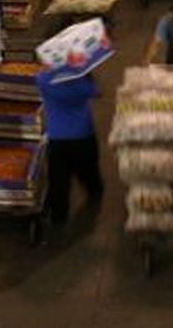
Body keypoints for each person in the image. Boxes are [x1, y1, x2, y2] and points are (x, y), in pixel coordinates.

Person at [36, 62, 104, 226]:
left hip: (58, 139)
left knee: (59, 180)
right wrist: (86, 72)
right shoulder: (82, 82)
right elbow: (97, 92)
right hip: (84, 136)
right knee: (89, 170)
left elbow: (40, 75)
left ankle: (59, 217)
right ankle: (95, 193)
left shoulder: (44, 80)